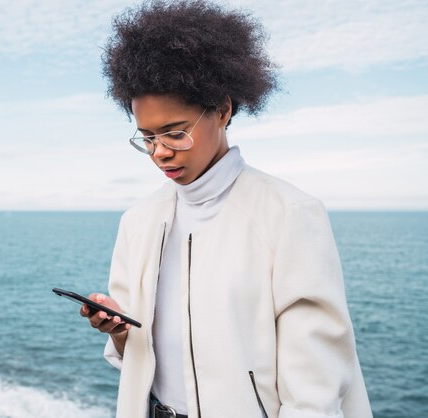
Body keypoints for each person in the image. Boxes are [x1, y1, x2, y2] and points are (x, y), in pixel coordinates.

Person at [79, 1, 372, 417]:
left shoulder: (289, 213)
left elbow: (315, 387)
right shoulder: (138, 221)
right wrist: (119, 330)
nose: (160, 152)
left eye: (175, 133)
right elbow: (136, 356)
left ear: (223, 109)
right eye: (146, 137)